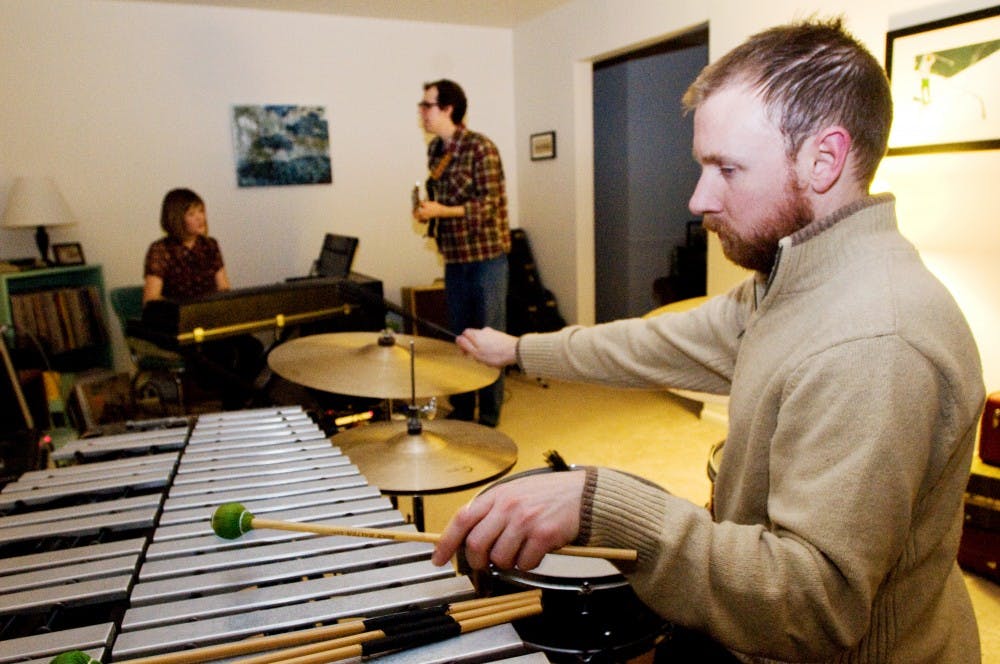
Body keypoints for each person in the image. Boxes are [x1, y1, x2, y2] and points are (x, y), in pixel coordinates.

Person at [431, 18, 985, 663]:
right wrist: (520, 350)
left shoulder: (873, 340)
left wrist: (602, 503)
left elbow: (815, 606)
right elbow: (655, 344)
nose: (698, 198)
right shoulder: (796, 278)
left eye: (727, 168)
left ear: (824, 160)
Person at [412, 79, 511, 428]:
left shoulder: (481, 148)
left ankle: (488, 419)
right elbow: (448, 201)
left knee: (490, 339)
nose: (422, 112)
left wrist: (442, 211)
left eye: (428, 105)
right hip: (455, 259)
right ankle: (463, 409)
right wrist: (428, 211)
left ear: (448, 109)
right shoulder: (436, 151)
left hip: (486, 260)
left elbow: (488, 206)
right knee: (462, 340)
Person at [143, 188, 263, 409]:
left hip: (213, 319)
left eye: (201, 211)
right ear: (176, 218)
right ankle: (234, 406)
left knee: (253, 348)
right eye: (192, 214)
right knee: (221, 355)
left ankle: (233, 404)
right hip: (184, 325)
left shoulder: (210, 246)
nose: (200, 218)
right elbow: (152, 299)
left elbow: (223, 287)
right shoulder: (161, 250)